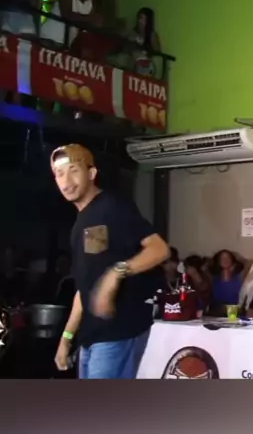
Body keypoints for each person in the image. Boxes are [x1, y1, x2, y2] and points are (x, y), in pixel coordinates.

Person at [52, 143, 169, 379]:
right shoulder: (79, 224)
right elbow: (84, 287)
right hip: (90, 337)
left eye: (73, 170)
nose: (66, 180)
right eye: (59, 173)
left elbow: (159, 249)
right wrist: (66, 337)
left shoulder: (113, 206)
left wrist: (116, 272)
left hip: (119, 332)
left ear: (91, 173)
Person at [210, 250, 249, 316]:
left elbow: (248, 264)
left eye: (228, 257)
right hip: (217, 311)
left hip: (235, 310)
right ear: (218, 261)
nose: (225, 260)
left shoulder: (239, 276)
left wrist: (237, 261)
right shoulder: (213, 277)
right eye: (222, 258)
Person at [130, 7, 161, 76]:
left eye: (144, 18)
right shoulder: (133, 33)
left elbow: (157, 51)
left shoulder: (152, 34)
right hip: (133, 61)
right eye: (140, 18)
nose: (141, 21)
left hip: (147, 63)